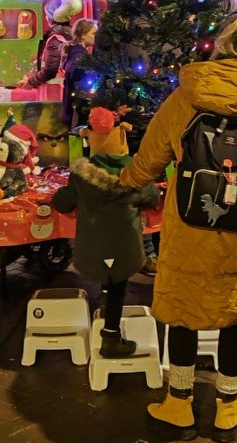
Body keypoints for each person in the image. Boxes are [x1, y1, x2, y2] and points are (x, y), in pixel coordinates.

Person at [120, 16, 237, 442]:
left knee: (184, 310)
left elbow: (148, 161)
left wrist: (122, 183)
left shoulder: (186, 98)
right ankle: (229, 407)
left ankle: (179, 404)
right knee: (236, 313)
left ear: (221, 48)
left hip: (190, 226)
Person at [53, 107, 160, 358]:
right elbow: (152, 197)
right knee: (118, 284)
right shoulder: (135, 173)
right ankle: (110, 334)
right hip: (126, 248)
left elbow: (63, 203)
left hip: (92, 248)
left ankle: (102, 314)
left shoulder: (81, 176)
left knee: (104, 273)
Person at [18, 12, 73, 90]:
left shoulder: (55, 39)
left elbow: (50, 70)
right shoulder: (66, 36)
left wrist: (31, 82)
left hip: (53, 90)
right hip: (60, 87)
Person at [60, 18, 97, 127]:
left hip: (74, 106)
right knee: (79, 139)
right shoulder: (78, 55)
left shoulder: (76, 52)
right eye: (94, 33)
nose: (97, 37)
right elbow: (76, 76)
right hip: (79, 107)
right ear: (83, 35)